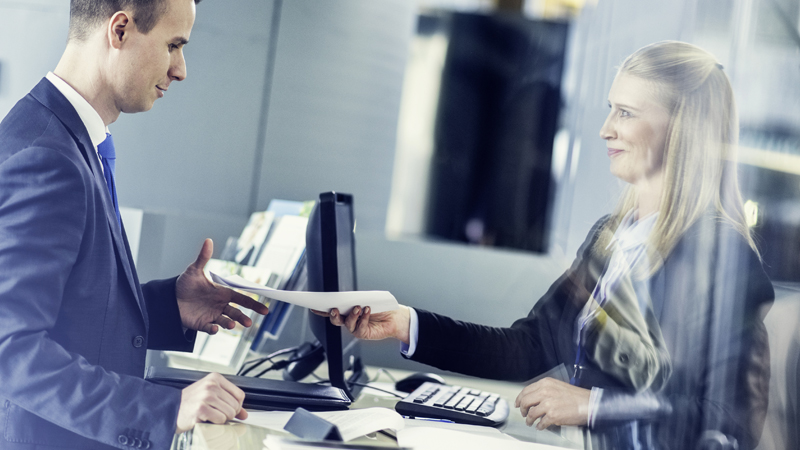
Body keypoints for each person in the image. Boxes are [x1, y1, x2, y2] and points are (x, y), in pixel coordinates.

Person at [323, 41, 774, 449]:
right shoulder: (611, 236)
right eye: (610, 108)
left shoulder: (721, 256)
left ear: (681, 129)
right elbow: (531, 346)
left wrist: (594, 405)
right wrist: (406, 324)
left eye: (626, 112)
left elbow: (729, 423)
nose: (605, 129)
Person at [0, 1, 269, 449]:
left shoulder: (68, 139)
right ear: (120, 30)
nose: (180, 69)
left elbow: (64, 313)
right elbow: (10, 347)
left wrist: (167, 307)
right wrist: (165, 409)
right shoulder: (48, 158)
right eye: (173, 45)